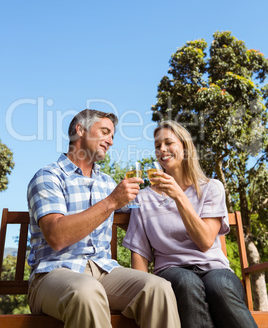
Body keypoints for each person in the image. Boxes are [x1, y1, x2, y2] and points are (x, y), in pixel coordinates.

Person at [27, 109, 181, 328]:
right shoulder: (48, 177)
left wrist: (163, 191)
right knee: (87, 291)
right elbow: (56, 236)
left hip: (104, 271)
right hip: (53, 273)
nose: (110, 140)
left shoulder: (108, 183)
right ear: (80, 130)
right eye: (105, 132)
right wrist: (112, 202)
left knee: (159, 288)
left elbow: (144, 210)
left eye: (112, 136)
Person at [123, 120, 257, 328]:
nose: (162, 150)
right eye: (157, 146)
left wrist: (178, 195)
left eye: (169, 143)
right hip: (171, 271)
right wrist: (143, 297)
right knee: (187, 282)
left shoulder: (212, 188)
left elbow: (204, 241)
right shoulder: (144, 198)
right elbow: (139, 253)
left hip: (215, 270)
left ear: (185, 147)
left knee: (219, 285)